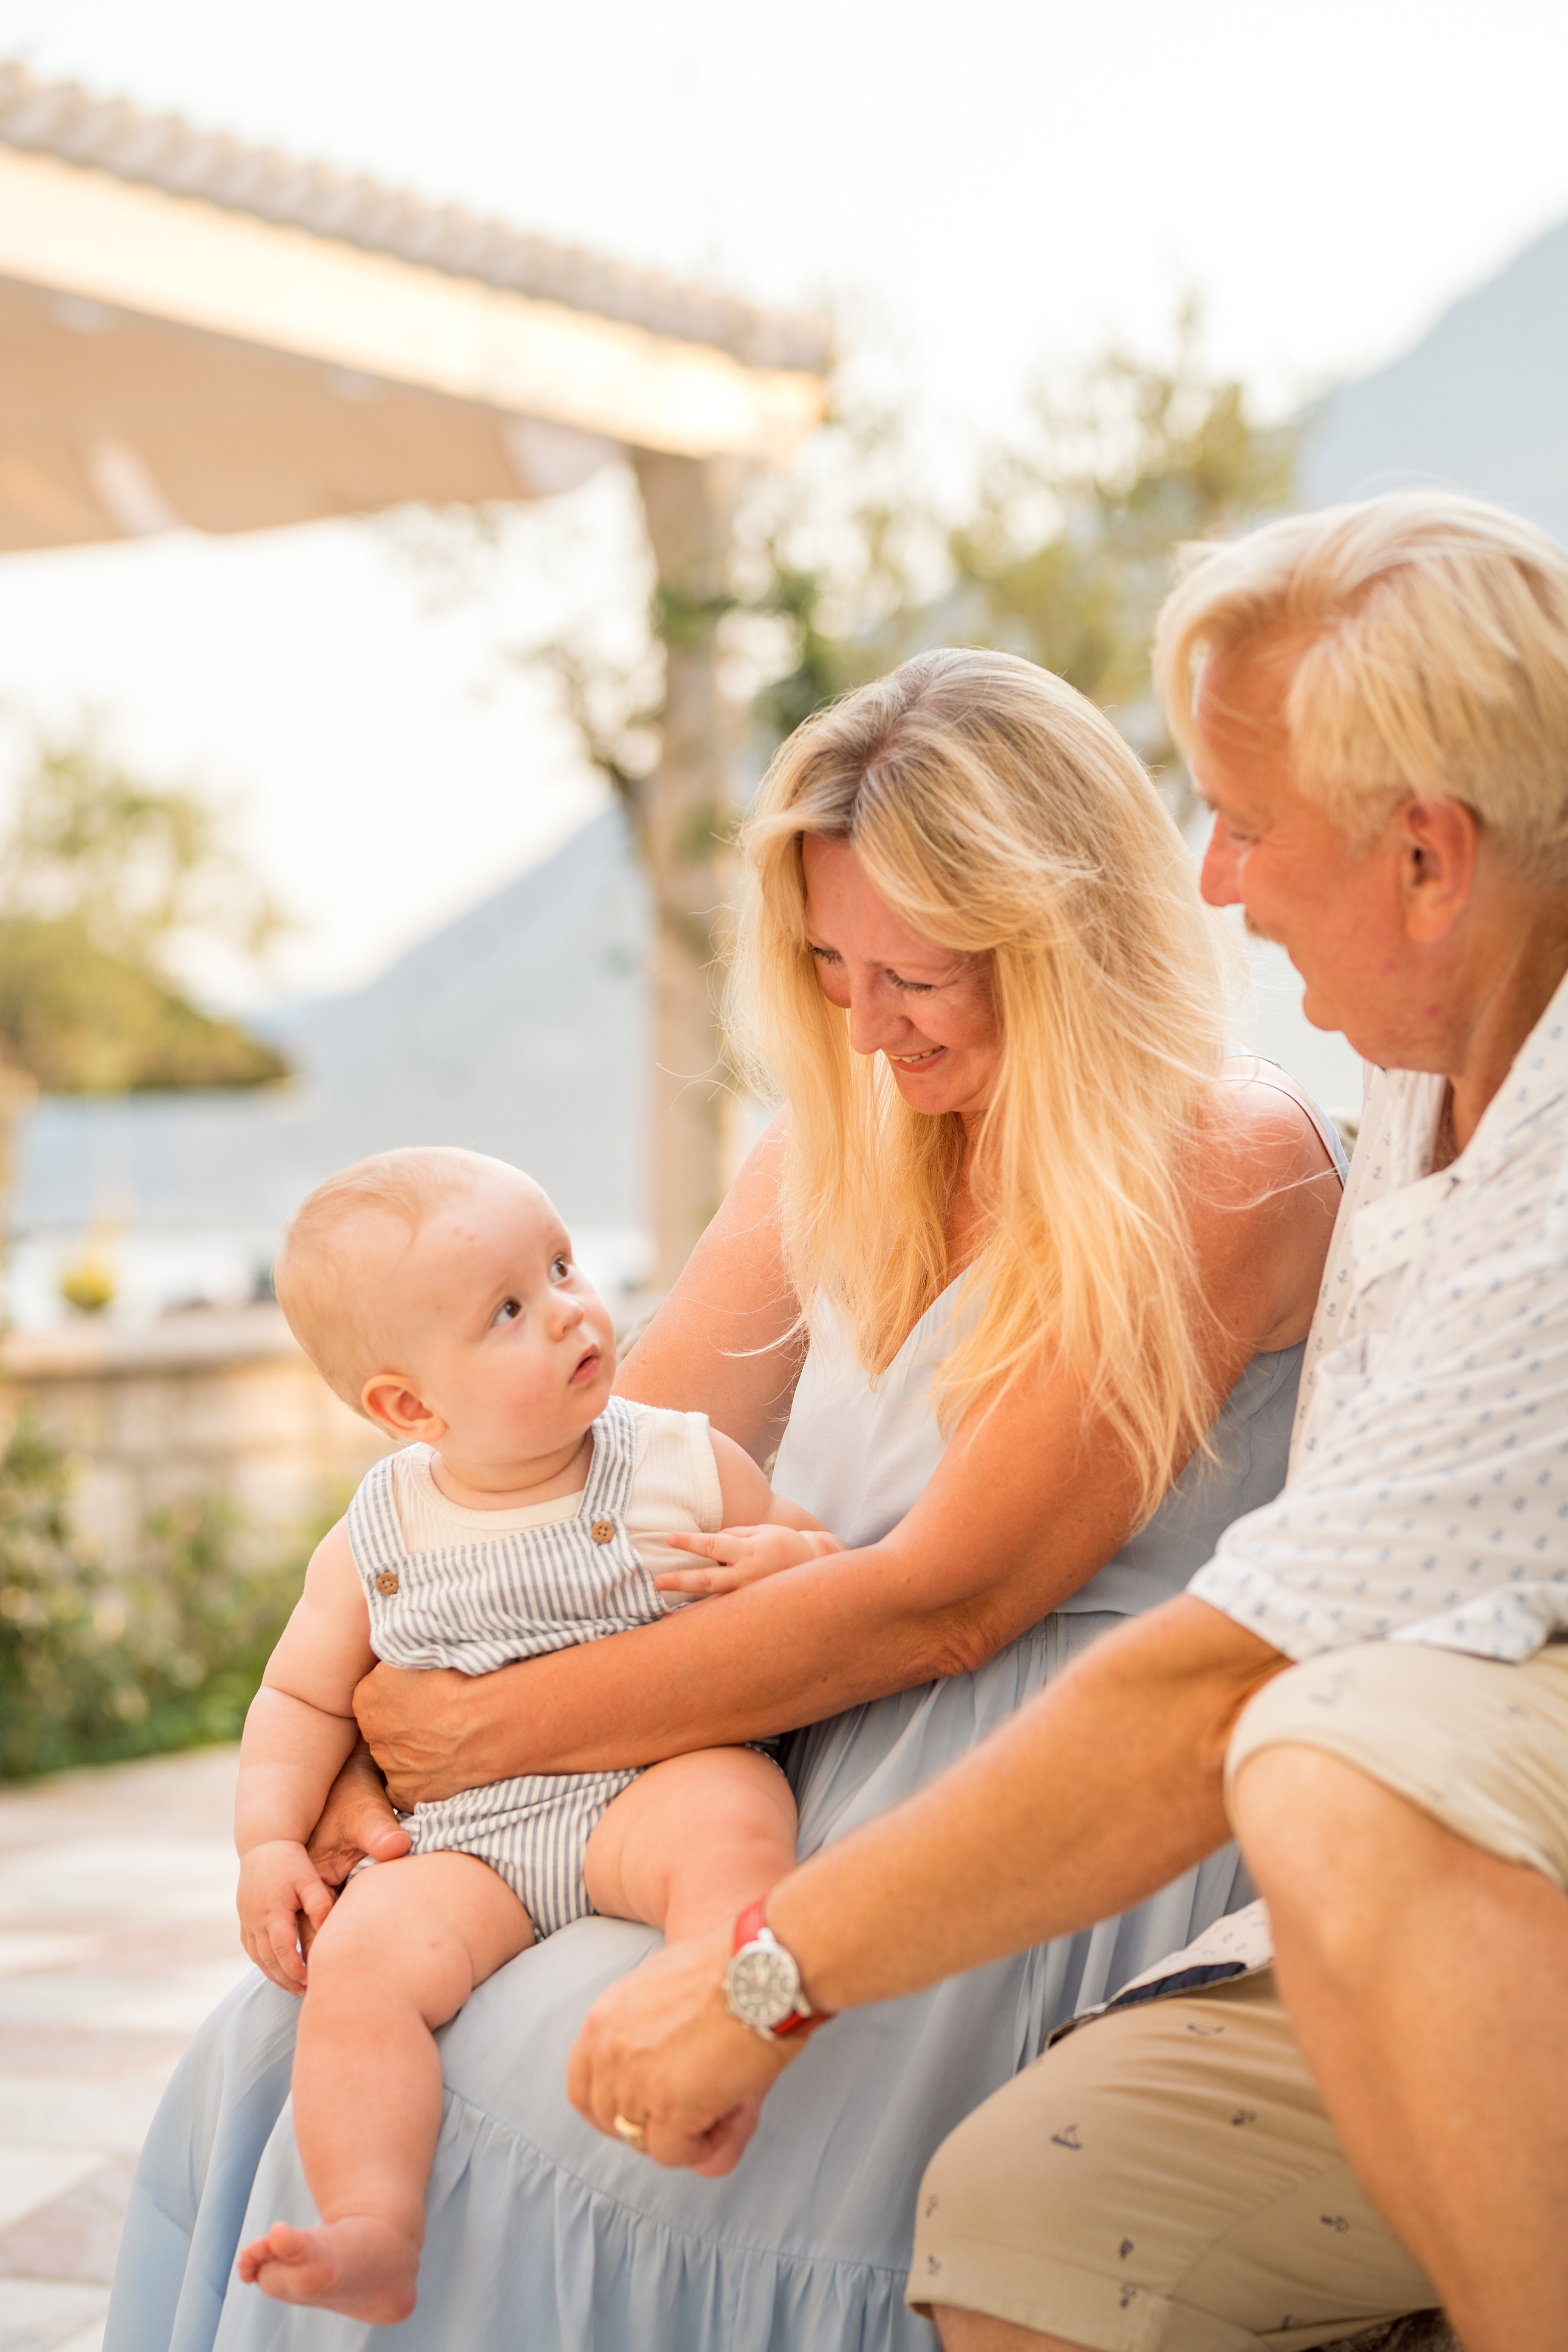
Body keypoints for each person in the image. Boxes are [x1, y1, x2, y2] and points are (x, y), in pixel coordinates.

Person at [106, 649, 1339, 2352]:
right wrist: (362, 1781)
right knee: (295, 2025)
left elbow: (951, 1598)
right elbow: (576, 1474)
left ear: (1061, 933)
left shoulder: (1221, 1159)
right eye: (831, 968)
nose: (863, 1021)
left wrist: (493, 1732)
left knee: (547, 2110)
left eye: (912, 973)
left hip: (1014, 1794)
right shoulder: (832, 1142)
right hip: (737, 1744)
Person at [568, 492, 1568, 2352]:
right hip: (1389, 1820)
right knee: (1036, 2211)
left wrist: (763, 1979)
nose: (1213, 887)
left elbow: (1201, 1677)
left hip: (1423, 1816)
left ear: (1429, 859)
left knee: (1336, 1749)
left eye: (1248, 826)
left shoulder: (1465, 1169)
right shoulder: (1425, 1074)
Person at [235, 1147, 827, 2321]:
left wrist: (793, 1557)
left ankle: (737, 2032)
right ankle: (373, 2223)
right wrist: (268, 1844)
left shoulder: (674, 1458)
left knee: (732, 1829)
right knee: (358, 1971)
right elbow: (298, 1698)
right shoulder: (380, 1529)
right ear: (408, 1407)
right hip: (471, 1843)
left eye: (561, 1266)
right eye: (510, 1309)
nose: (568, 1312)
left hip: (648, 1783)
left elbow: (831, 1571)